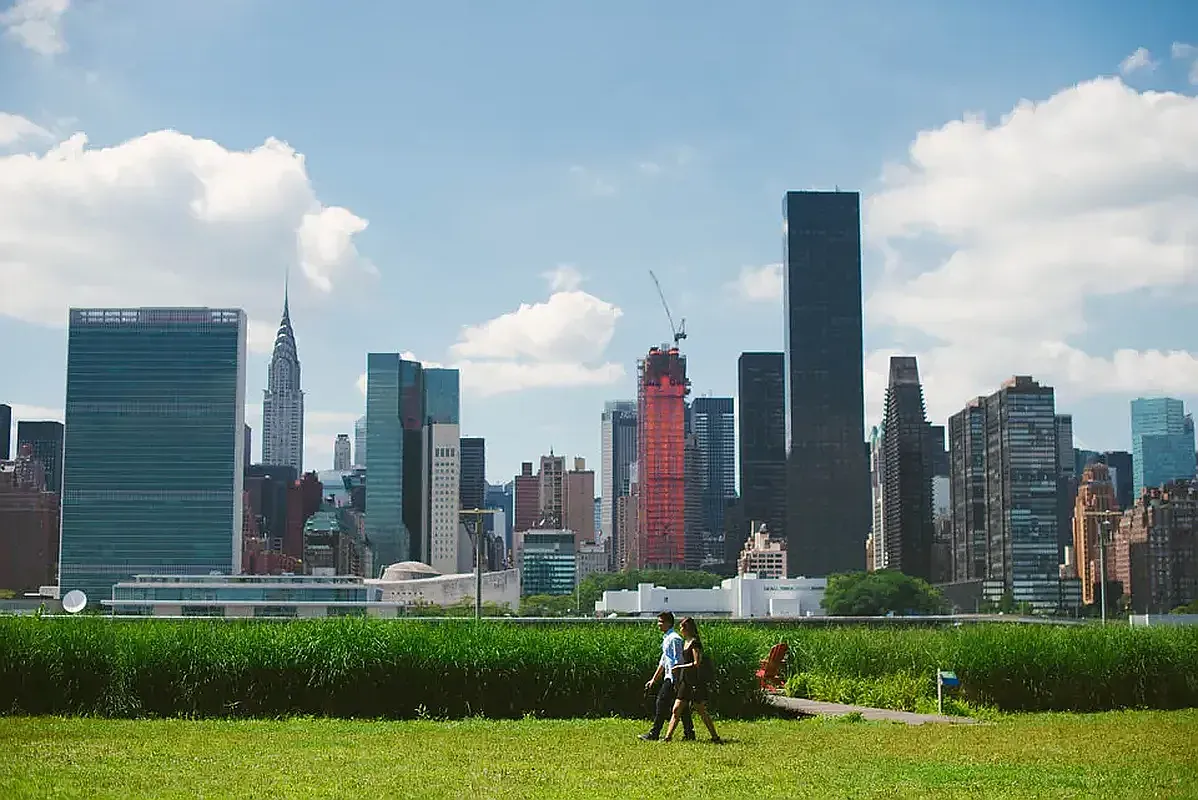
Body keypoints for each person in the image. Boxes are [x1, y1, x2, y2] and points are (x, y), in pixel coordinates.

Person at [663, 617, 722, 743]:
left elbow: (696, 663)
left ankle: (715, 736)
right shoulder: (686, 642)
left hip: (695, 681)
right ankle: (668, 737)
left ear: (687, 628)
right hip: (685, 680)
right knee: (676, 709)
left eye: (682, 628)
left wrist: (680, 667)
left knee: (700, 710)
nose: (680, 630)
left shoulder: (695, 643)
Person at [639, 611, 694, 741]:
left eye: (661, 622)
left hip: (674, 677)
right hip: (669, 676)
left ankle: (654, 733)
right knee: (682, 706)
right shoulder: (667, 639)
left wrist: (676, 680)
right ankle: (689, 733)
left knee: (661, 703)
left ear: (669, 623)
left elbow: (677, 660)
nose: (658, 624)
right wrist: (654, 679)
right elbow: (663, 662)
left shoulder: (674, 639)